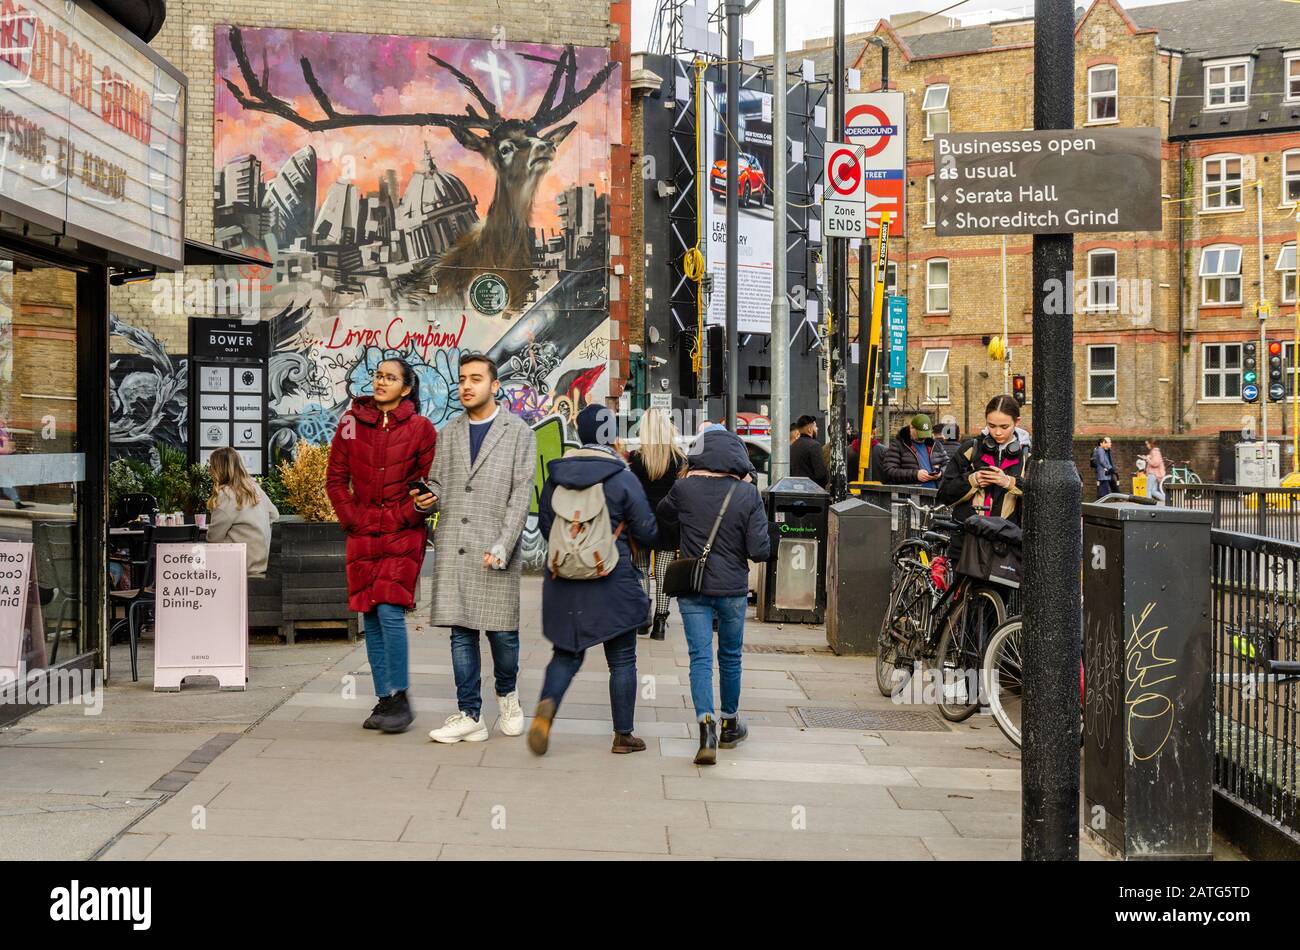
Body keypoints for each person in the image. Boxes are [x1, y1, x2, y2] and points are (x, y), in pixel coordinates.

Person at [528, 405, 659, 756]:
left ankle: (546, 710)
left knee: (565, 655)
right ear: (611, 435)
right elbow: (647, 530)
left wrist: (573, 550)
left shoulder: (557, 474)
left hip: (564, 580)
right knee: (622, 659)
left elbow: (545, 524)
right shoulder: (622, 476)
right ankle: (623, 735)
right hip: (611, 578)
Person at [425, 354, 537, 744]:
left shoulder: (518, 432)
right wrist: (429, 498)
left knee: (502, 633)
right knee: (461, 632)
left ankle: (508, 696)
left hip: (494, 545)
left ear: (494, 385)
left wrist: (504, 544)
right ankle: (469, 713)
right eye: (462, 380)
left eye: (476, 378)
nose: (466, 386)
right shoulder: (449, 432)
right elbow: (439, 483)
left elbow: (521, 494)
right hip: (456, 544)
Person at [326, 357, 437, 734]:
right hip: (362, 532)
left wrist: (407, 512)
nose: (380, 382)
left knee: (389, 610)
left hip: (402, 531)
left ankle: (401, 695)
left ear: (406, 388)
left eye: (390, 377)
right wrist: (352, 518)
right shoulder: (350, 424)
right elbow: (335, 480)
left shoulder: (422, 429)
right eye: (378, 375)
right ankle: (384, 696)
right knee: (369, 615)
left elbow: (429, 482)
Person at [656, 426, 771, 765]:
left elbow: (663, 515)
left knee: (700, 659)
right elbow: (759, 550)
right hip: (733, 590)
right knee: (731, 657)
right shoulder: (747, 495)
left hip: (694, 587)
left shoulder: (684, 488)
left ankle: (705, 727)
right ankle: (730, 724)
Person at [936, 394, 1029, 560]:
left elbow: (1041, 495)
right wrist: (973, 480)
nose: (998, 432)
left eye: (1004, 426)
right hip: (966, 542)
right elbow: (944, 493)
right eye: (991, 425)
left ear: (1017, 422)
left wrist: (1009, 482)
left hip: (1006, 544)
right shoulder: (970, 448)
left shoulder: (1027, 456)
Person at [627, 407, 685, 640]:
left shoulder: (635, 459)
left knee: (640, 569)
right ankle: (661, 623)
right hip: (669, 522)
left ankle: (643, 618)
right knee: (662, 572)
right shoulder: (679, 460)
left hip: (641, 521)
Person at [205, 447, 279, 576]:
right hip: (262, 561)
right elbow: (274, 515)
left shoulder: (226, 494)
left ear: (219, 469)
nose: (209, 470)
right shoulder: (254, 487)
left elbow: (213, 538)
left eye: (211, 466)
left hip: (241, 565)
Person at [881, 413, 950, 486]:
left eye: (926, 434)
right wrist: (915, 474)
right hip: (912, 495)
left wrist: (940, 473)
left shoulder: (936, 445)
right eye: (920, 434)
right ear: (911, 428)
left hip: (936, 493)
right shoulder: (898, 446)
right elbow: (889, 471)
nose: (923, 438)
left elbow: (948, 465)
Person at [789, 414, 828, 488]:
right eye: (815, 426)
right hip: (811, 491)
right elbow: (821, 474)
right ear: (809, 429)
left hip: (795, 489)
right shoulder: (814, 445)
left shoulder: (793, 446)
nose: (817, 429)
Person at [0, 417, 27, 509]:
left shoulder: (3, 432)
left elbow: (7, 448)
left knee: (7, 482)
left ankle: (17, 502)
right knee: (7, 482)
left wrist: (9, 448)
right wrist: (6, 447)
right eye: (2, 421)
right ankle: (17, 502)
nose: (4, 423)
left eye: (4, 422)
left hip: (3, 462)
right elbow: (4, 449)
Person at [1142, 438, 1166, 503]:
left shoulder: (1154, 451)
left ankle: (1149, 503)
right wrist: (1147, 457)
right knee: (1153, 491)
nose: (1147, 445)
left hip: (1153, 473)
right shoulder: (1154, 451)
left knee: (1148, 490)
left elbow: (1155, 463)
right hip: (1154, 474)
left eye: (1147, 444)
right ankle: (1167, 500)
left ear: (1151, 444)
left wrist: (1147, 459)